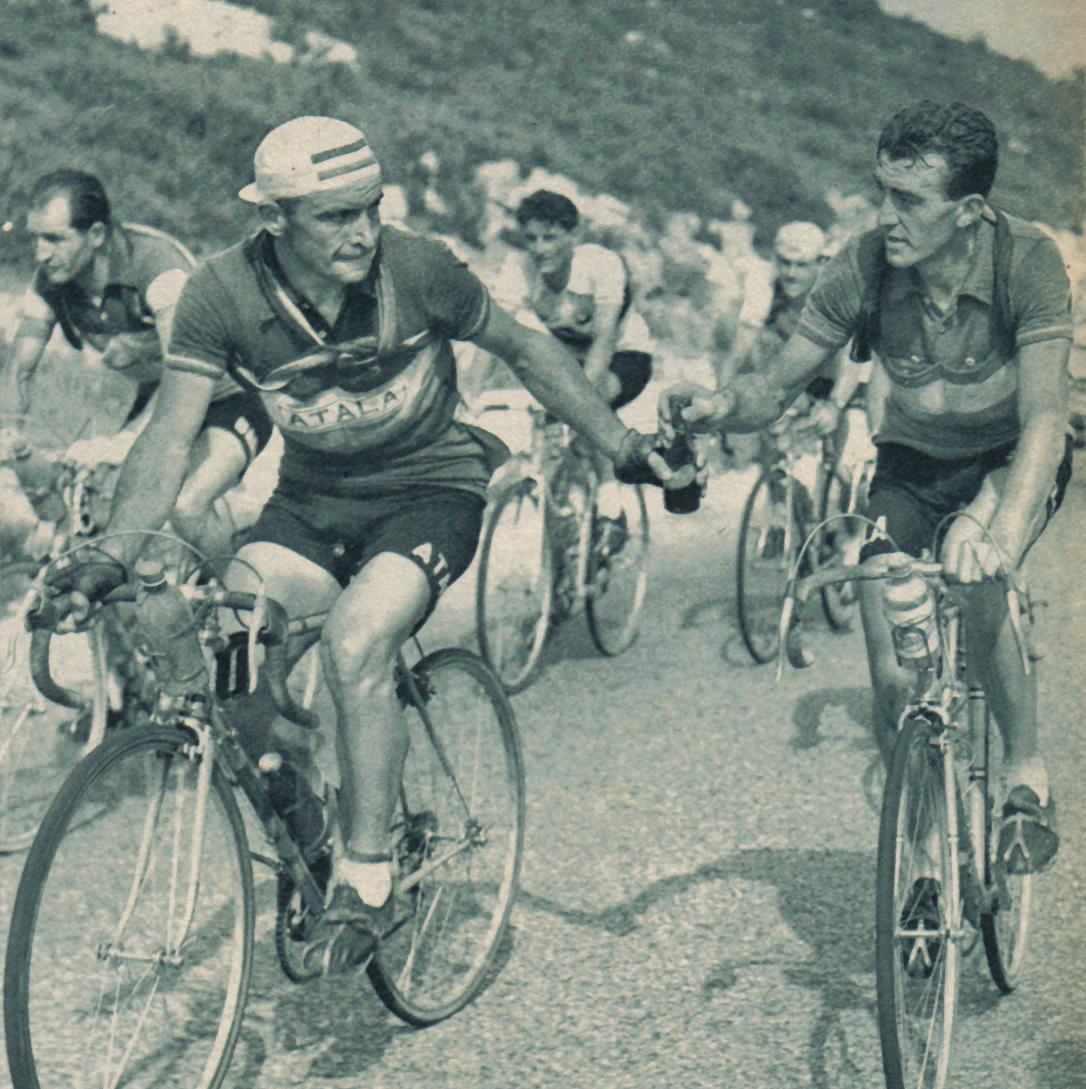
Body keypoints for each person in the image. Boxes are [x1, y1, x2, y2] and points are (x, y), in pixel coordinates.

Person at [59, 117, 673, 962]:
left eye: (369, 209)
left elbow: (527, 348)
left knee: (355, 642)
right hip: (310, 505)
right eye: (334, 217)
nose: (361, 233)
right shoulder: (220, 294)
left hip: (432, 490)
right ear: (275, 218)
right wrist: (110, 551)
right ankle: (308, 823)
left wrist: (625, 446)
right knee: (234, 653)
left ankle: (370, 875)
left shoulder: (418, 270)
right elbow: (169, 435)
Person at [660, 101, 1073, 875]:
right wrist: (720, 408)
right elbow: (779, 383)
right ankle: (920, 855)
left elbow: (1048, 420)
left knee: (974, 577)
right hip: (909, 468)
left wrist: (1001, 535)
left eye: (910, 200)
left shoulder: (1027, 261)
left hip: (1004, 462)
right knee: (889, 660)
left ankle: (1025, 775)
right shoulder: (865, 265)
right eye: (881, 191)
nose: (887, 216)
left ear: (970, 211)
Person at [0, 169, 272, 557]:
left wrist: (127, 436)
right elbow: (20, 370)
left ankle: (239, 599)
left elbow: (186, 370)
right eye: (36, 238)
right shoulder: (50, 279)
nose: (41, 254)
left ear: (95, 236)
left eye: (55, 239)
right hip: (160, 401)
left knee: (184, 508)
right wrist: (12, 434)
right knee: (112, 508)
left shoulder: (156, 266)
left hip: (229, 397)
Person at [715, 220, 868, 462]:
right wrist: (720, 404)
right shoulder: (764, 282)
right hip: (795, 371)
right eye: (785, 263)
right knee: (762, 343)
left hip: (845, 374)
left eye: (801, 265)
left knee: (842, 463)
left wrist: (835, 406)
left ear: (820, 262)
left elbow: (851, 360)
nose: (791, 273)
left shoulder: (837, 289)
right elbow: (739, 352)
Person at [491, 189, 654, 412]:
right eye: (531, 238)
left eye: (550, 238)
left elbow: (604, 336)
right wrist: (468, 394)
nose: (540, 249)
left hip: (624, 355)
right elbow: (493, 333)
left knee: (585, 406)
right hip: (573, 360)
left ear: (574, 236)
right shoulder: (518, 266)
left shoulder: (601, 262)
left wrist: (582, 401)